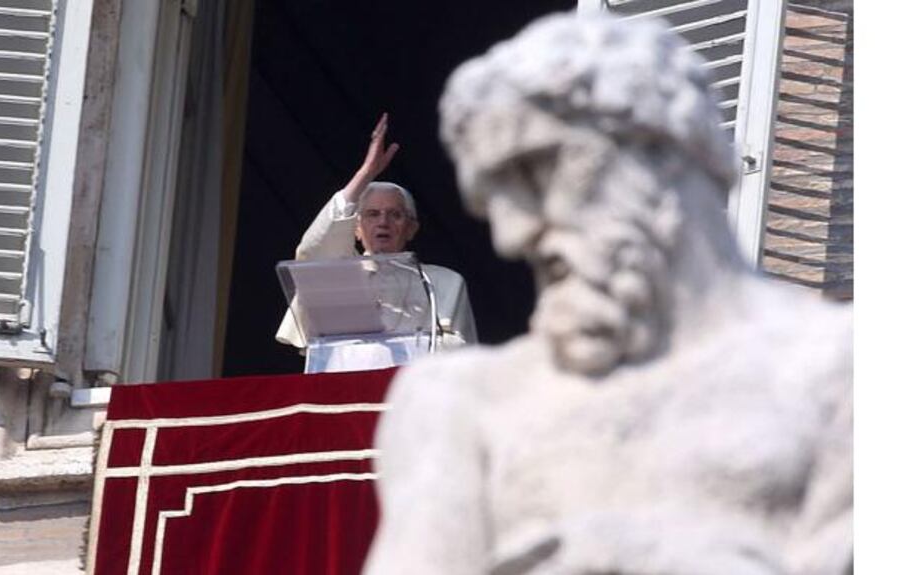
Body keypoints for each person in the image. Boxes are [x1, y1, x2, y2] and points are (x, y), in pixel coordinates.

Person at [364, 12, 851, 575]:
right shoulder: (458, 404)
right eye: (496, 199)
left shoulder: (842, 370)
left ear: (663, 153)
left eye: (536, 174)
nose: (513, 234)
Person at [276, 113, 477, 351]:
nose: (384, 222)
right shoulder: (336, 278)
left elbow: (460, 356)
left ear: (411, 229)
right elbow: (313, 249)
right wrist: (366, 174)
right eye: (372, 214)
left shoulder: (445, 283)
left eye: (395, 215)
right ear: (357, 229)